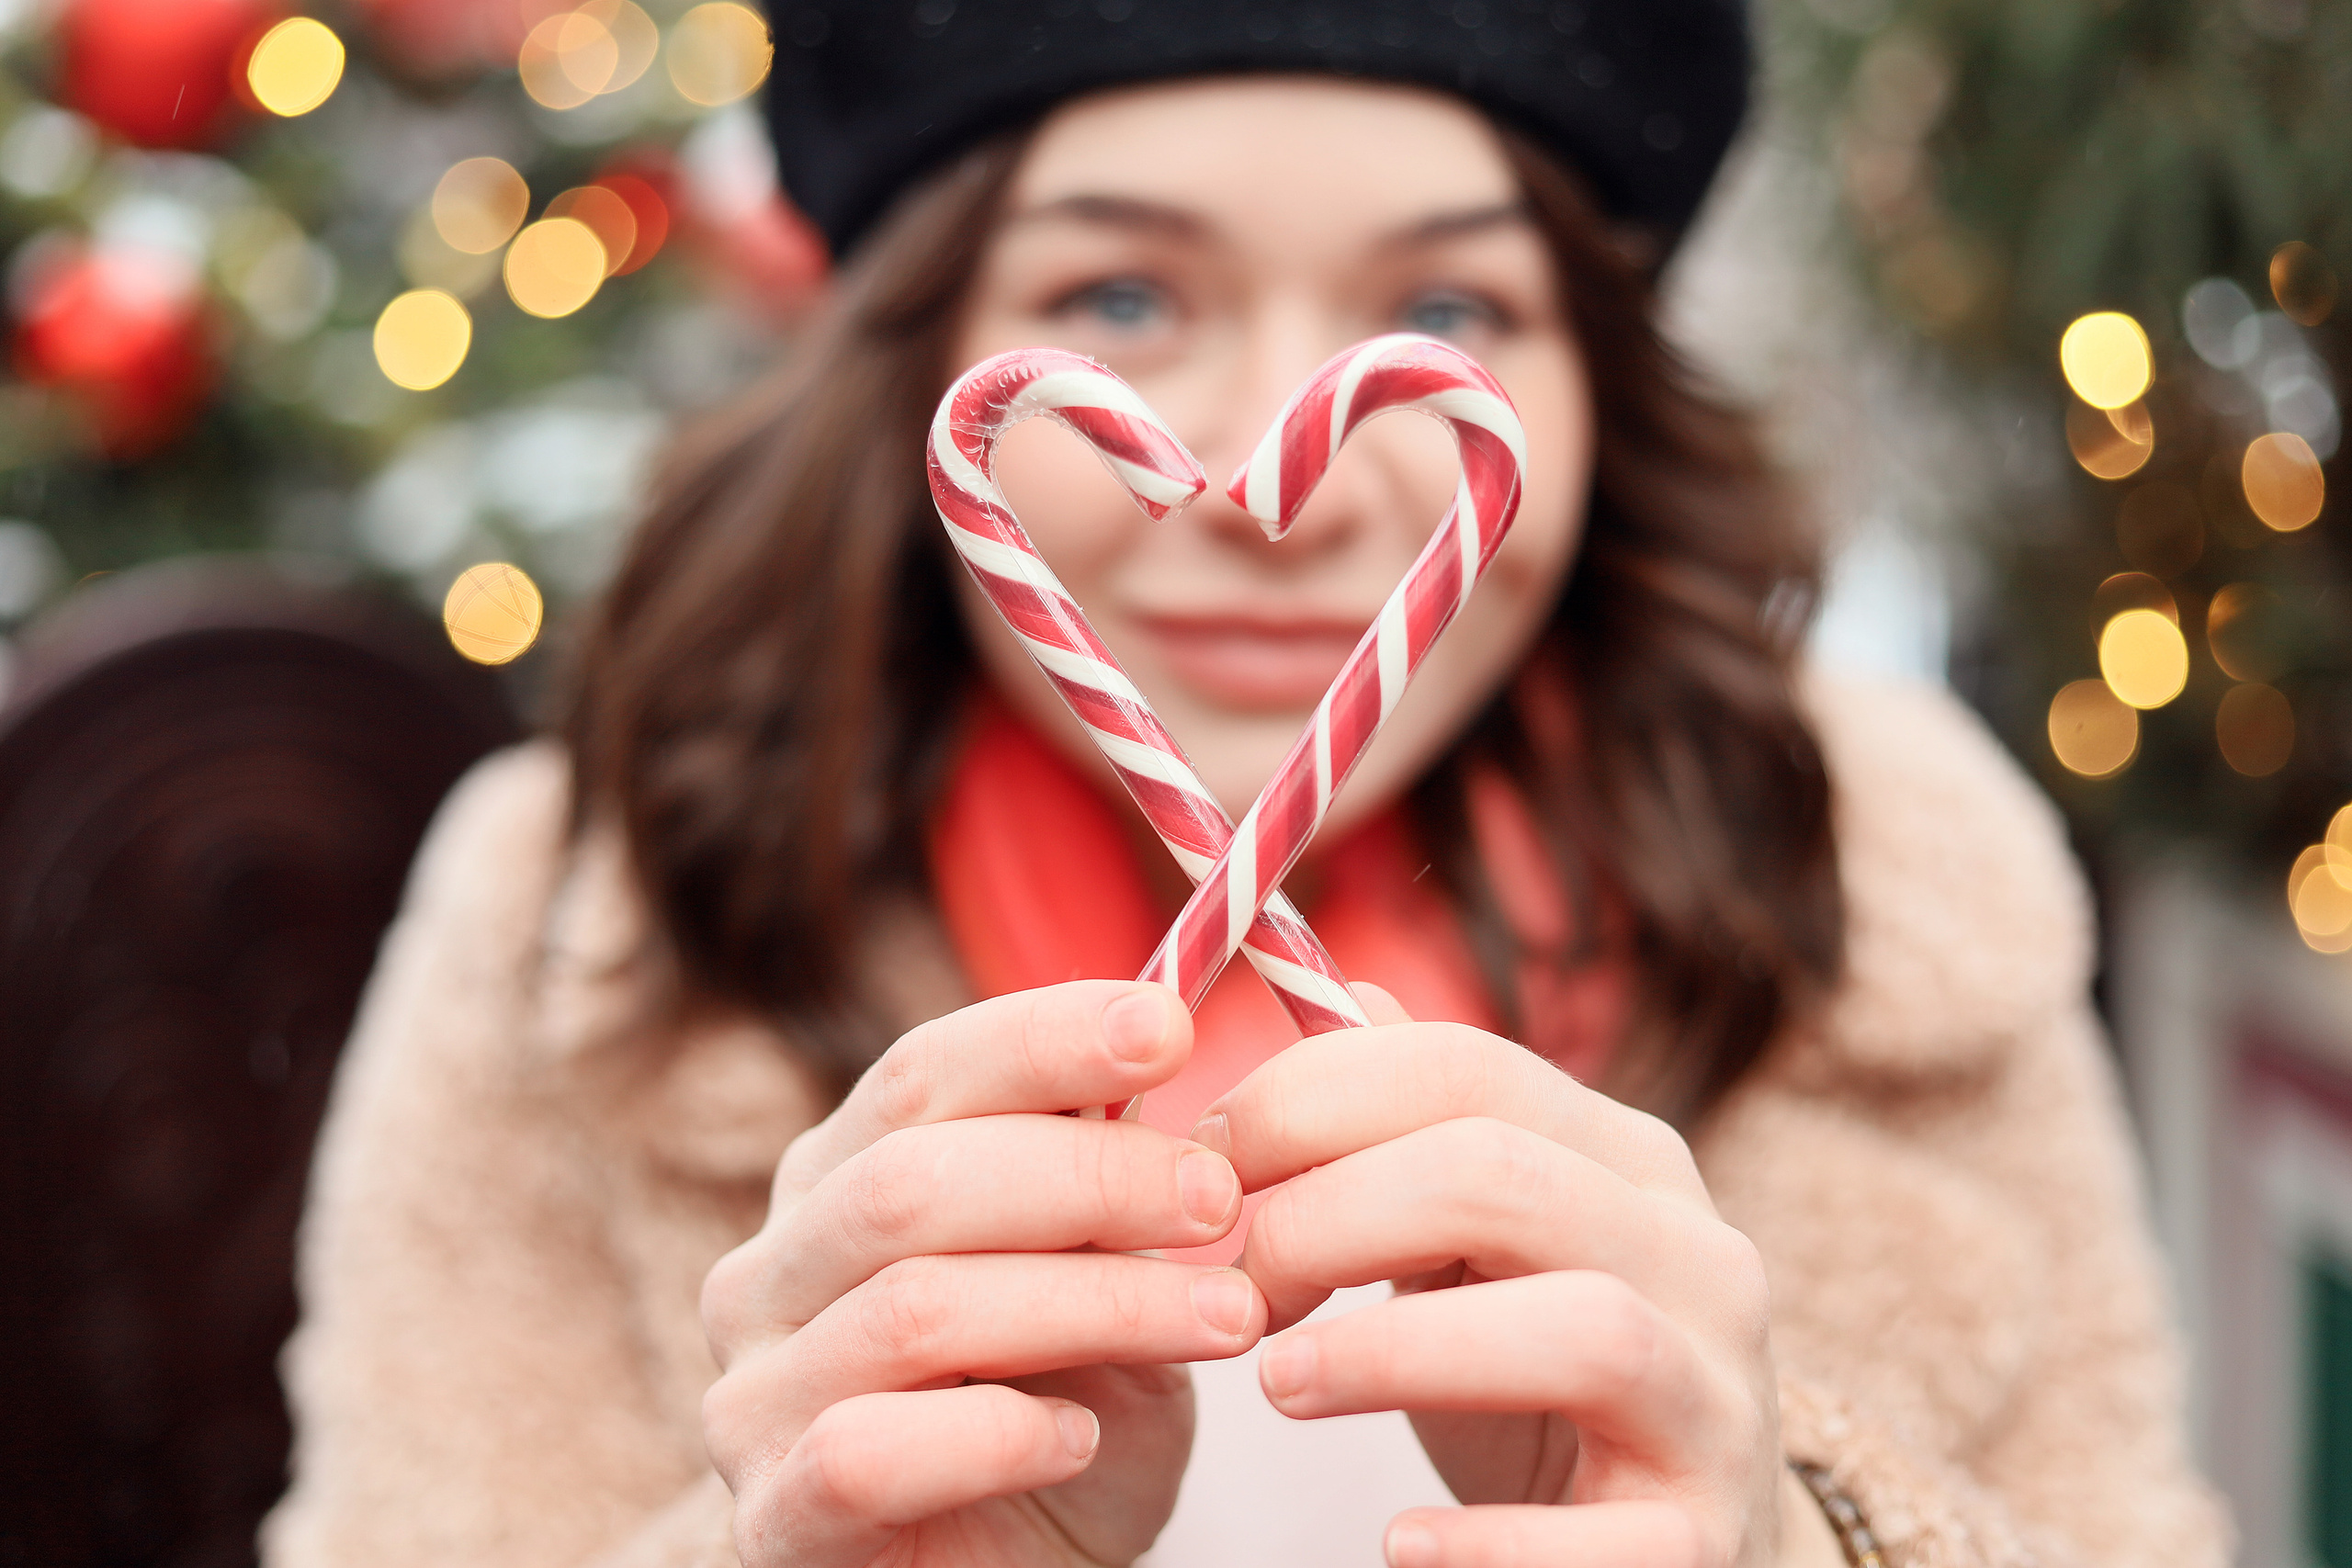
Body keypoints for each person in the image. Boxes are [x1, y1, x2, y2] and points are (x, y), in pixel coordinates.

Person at [263, 5, 2230, 1566]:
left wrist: (1791, 1541)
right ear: (921, 349)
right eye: (1119, 297)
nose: (1279, 482)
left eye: (1445, 312)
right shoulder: (568, 919)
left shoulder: (1894, 868)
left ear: (1596, 386)